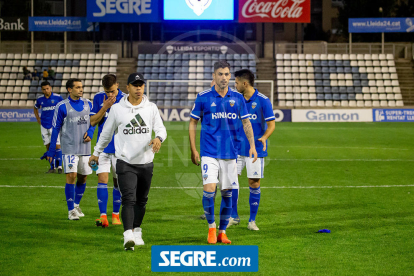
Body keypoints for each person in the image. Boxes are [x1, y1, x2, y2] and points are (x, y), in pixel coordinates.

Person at [89, 73, 167, 251]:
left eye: (141, 85)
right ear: (128, 88)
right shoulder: (117, 109)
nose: (138, 88)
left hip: (146, 161)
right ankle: (127, 236)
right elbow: (106, 134)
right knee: (128, 199)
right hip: (125, 161)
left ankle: (137, 231)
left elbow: (161, 129)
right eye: (135, 85)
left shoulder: (151, 108)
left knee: (142, 200)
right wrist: (95, 153)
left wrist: (159, 139)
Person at [189, 61, 257, 245]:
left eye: (227, 74)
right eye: (220, 74)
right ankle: (211, 228)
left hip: (230, 154)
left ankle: (222, 231)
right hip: (209, 152)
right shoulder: (203, 97)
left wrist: (252, 145)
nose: (224, 78)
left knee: (227, 193)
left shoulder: (238, 98)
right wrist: (193, 149)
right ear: (214, 76)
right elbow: (193, 123)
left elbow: (246, 123)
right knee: (209, 189)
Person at [229, 69, 276, 231]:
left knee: (253, 183)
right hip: (236, 148)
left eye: (236, 82)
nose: (234, 85)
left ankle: (252, 221)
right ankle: (233, 216)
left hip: (254, 150)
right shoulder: (234, 100)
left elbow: (271, 125)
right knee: (231, 181)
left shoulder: (263, 101)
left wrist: (264, 137)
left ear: (244, 83)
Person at [46, 78, 93, 220]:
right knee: (71, 176)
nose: (81, 89)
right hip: (69, 147)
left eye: (82, 87)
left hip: (85, 148)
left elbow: (95, 120)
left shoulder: (88, 104)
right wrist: (52, 149)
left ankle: (77, 205)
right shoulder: (62, 106)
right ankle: (70, 210)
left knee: (83, 177)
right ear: (69, 89)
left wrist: (90, 132)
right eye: (77, 87)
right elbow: (55, 128)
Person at [87, 74, 126, 227]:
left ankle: (116, 215)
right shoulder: (98, 99)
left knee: (118, 182)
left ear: (118, 85)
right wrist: (104, 107)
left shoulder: (126, 99)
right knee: (102, 179)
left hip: (120, 149)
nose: (110, 95)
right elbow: (92, 121)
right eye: (107, 92)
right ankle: (103, 216)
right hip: (102, 148)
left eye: (112, 91)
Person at [34, 81, 64, 173]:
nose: (46, 90)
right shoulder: (40, 99)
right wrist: (38, 118)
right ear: (42, 90)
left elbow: (64, 107)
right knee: (47, 146)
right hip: (43, 125)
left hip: (54, 125)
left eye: (47, 88)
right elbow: (35, 108)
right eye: (44, 89)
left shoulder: (58, 97)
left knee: (57, 145)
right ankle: (52, 167)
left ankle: (60, 167)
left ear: (50, 88)